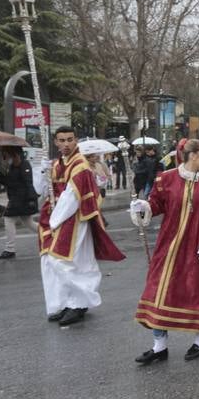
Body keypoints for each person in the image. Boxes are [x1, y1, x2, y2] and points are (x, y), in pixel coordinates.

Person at [129, 139, 199, 364]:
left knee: (197, 293)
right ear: (192, 155)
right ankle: (159, 346)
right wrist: (144, 207)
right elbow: (156, 204)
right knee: (158, 290)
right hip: (169, 245)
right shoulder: (167, 178)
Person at [38, 126, 126, 327]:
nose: (66, 144)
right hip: (55, 216)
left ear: (76, 140)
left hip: (73, 218)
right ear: (56, 142)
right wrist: (43, 171)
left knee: (64, 261)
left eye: (70, 139)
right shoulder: (57, 164)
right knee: (52, 261)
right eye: (62, 140)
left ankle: (80, 302)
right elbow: (42, 191)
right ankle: (64, 303)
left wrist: (54, 222)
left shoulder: (81, 165)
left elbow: (71, 197)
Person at [0, 146, 39, 260]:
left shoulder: (24, 164)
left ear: (12, 152)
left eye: (5, 153)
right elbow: (10, 182)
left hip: (21, 199)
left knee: (8, 219)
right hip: (16, 197)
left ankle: (9, 249)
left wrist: (32, 198)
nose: (4, 156)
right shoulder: (13, 165)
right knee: (28, 222)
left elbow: (28, 183)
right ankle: (52, 235)